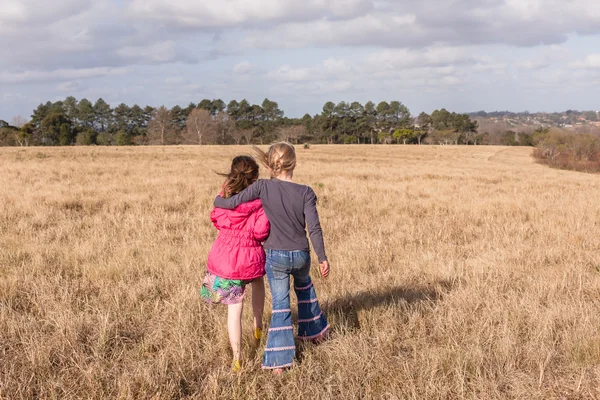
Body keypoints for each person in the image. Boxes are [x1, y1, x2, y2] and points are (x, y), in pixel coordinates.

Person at [213, 142, 330, 374]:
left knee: (280, 306)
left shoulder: (263, 187)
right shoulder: (306, 191)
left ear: (270, 163)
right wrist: (322, 257)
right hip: (301, 255)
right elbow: (314, 229)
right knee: (305, 290)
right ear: (294, 163)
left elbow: (233, 203)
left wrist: (219, 201)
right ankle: (315, 332)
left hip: (275, 257)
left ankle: (279, 361)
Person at [200, 155, 270, 373]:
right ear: (256, 178)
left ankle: (237, 358)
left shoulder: (224, 196)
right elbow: (261, 232)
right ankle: (258, 326)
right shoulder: (261, 203)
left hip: (224, 258)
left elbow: (216, 219)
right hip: (250, 257)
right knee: (258, 282)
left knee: (234, 309)